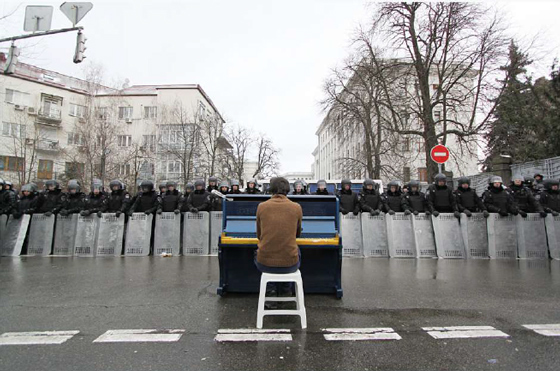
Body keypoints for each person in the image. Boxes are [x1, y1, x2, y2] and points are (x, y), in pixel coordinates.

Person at [255, 177, 302, 298]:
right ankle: (286, 290)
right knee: (294, 251)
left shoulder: (261, 206)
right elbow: (297, 234)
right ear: (287, 190)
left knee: (259, 252)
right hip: (290, 264)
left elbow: (259, 235)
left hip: (264, 263)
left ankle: (270, 291)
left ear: (271, 189)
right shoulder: (296, 207)